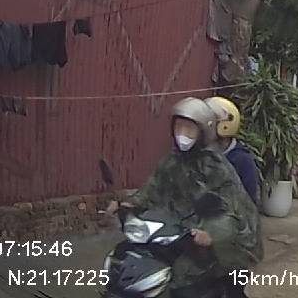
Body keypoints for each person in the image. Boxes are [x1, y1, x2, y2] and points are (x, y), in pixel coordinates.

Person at [112, 97, 262, 294]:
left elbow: (230, 209)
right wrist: (130, 205)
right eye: (179, 127)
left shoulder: (215, 166)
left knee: (183, 280)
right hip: (176, 233)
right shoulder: (171, 161)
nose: (182, 134)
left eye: (189, 129)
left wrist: (211, 234)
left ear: (203, 131)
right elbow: (152, 189)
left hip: (220, 244)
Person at [207, 96, 262, 209]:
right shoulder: (200, 154)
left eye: (212, 122)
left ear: (225, 125)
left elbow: (249, 202)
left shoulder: (242, 160)